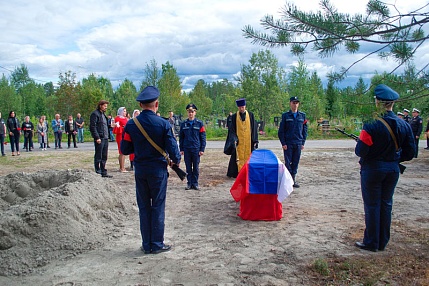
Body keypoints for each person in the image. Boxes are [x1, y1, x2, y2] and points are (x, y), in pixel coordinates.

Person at [354, 84, 415, 252]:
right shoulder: (404, 125)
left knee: (372, 205)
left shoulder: (371, 124)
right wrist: (393, 158)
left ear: (377, 102)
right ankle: (382, 241)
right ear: (392, 103)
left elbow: (361, 151)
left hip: (373, 169)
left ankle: (371, 242)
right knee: (386, 204)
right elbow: (411, 152)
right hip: (392, 169)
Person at [121, 86, 181, 255]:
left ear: (140, 105)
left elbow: (125, 149)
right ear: (156, 104)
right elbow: (174, 151)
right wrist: (175, 161)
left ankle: (146, 244)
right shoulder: (163, 124)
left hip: (140, 170)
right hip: (158, 171)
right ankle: (157, 243)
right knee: (158, 206)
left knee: (144, 206)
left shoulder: (132, 124)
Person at [278, 96, 308, 188]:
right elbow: (281, 131)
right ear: (290, 103)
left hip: (298, 142)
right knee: (288, 163)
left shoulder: (302, 116)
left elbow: (305, 130)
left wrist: (303, 142)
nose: (295, 105)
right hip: (288, 143)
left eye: (296, 103)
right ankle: (287, 181)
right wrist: (283, 143)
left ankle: (293, 180)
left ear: (298, 104)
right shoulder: (285, 116)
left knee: (295, 162)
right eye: (293, 103)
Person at [225, 99, 258, 178]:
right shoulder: (234, 117)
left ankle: (248, 172)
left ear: (245, 106)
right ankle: (236, 173)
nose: (241, 109)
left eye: (242, 107)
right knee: (237, 157)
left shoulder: (250, 115)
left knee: (249, 156)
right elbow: (232, 129)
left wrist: (255, 140)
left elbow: (254, 128)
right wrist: (234, 139)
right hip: (238, 141)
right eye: (240, 107)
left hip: (248, 141)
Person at [179, 104, 206, 190]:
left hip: (196, 149)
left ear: (195, 113)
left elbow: (203, 137)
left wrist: (202, 149)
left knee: (196, 167)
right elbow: (181, 137)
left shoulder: (199, 123)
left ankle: (195, 183)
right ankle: (189, 183)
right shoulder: (184, 124)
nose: (190, 113)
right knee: (188, 167)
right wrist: (181, 149)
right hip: (187, 148)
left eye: (192, 112)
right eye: (189, 112)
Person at [90, 100, 112, 178]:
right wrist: (97, 137)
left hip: (105, 137)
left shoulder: (103, 115)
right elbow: (93, 127)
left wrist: (111, 125)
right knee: (98, 155)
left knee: (104, 155)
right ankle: (98, 170)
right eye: (105, 106)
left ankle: (103, 171)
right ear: (100, 106)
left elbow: (105, 125)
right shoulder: (95, 114)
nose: (106, 107)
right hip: (100, 138)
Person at [114, 107, 129, 172]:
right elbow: (117, 127)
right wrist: (122, 128)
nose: (125, 112)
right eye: (124, 111)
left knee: (123, 151)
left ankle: (123, 166)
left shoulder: (126, 118)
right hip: (120, 135)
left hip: (125, 135)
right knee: (121, 151)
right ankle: (121, 167)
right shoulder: (117, 118)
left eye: (125, 111)